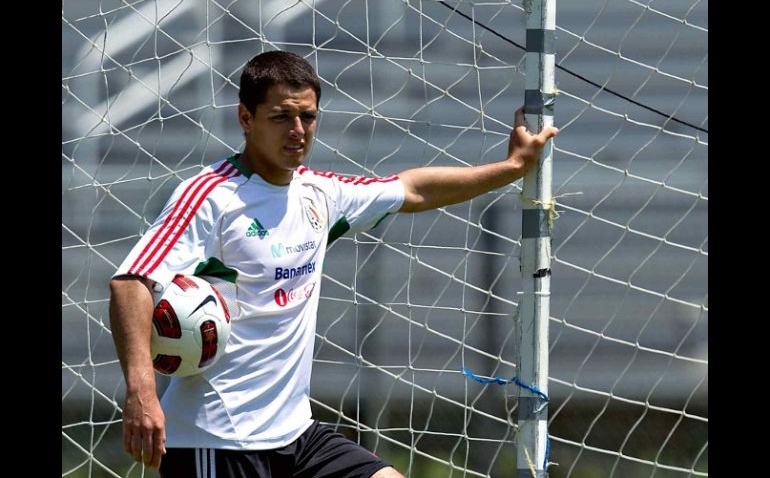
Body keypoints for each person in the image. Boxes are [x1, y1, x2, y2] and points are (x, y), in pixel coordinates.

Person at [109, 50, 558, 478]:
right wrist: (142, 391)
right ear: (246, 118)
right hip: (218, 440)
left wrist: (513, 167)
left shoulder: (320, 194)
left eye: (308, 116)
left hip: (295, 433)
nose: (298, 130)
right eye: (281, 116)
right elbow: (131, 282)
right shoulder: (210, 197)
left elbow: (412, 190)